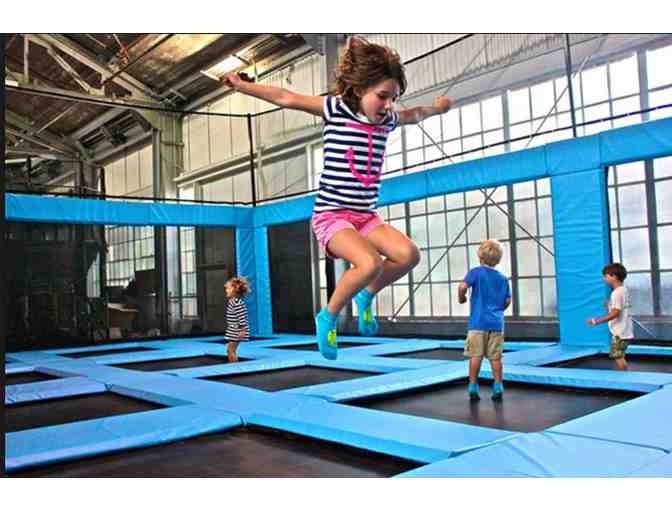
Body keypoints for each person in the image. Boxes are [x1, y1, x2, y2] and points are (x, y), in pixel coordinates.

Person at [221, 36, 452, 360]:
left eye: (393, 97)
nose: (389, 105)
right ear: (359, 89)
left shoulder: (388, 120)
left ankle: (366, 295)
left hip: (366, 215)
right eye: (382, 96)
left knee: (408, 255)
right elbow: (286, 97)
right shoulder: (336, 109)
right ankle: (327, 316)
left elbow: (414, 114)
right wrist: (243, 86)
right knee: (369, 262)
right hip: (332, 214)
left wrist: (438, 108)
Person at [458, 240, 511, 401]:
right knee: (496, 358)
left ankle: (473, 386)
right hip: (496, 324)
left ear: (480, 256)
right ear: (498, 259)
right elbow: (507, 300)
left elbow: (462, 287)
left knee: (476, 356)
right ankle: (498, 385)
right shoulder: (503, 278)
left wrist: (462, 298)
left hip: (478, 323)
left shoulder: (476, 272)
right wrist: (499, 310)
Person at [586, 262, 633, 370]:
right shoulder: (623, 290)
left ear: (613, 276)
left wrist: (595, 321)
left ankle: (625, 375)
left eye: (605, 276)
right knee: (618, 354)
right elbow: (618, 309)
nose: (604, 279)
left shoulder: (617, 293)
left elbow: (615, 313)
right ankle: (624, 373)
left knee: (616, 355)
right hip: (625, 331)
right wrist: (609, 305)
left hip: (620, 333)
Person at [224, 276, 251, 363]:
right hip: (233, 329)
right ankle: (234, 365)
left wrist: (242, 330)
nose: (226, 290)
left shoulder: (236, 302)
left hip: (237, 330)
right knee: (230, 350)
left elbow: (242, 316)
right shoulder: (233, 301)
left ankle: (235, 367)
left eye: (228, 289)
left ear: (234, 290)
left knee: (230, 350)